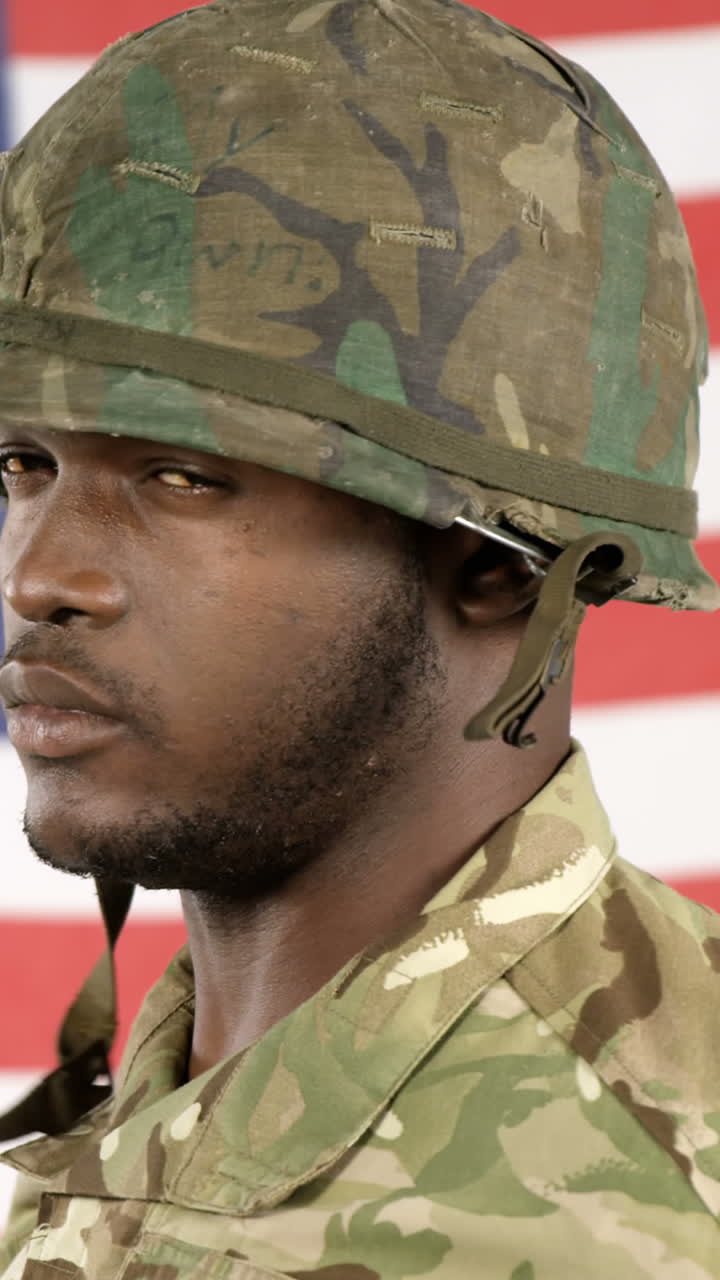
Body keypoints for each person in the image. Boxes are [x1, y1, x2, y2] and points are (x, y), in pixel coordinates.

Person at [0, 0, 718, 1274]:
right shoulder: (115, 1119)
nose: (41, 574)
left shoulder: (649, 1207)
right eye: (23, 462)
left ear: (497, 564)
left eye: (181, 478)